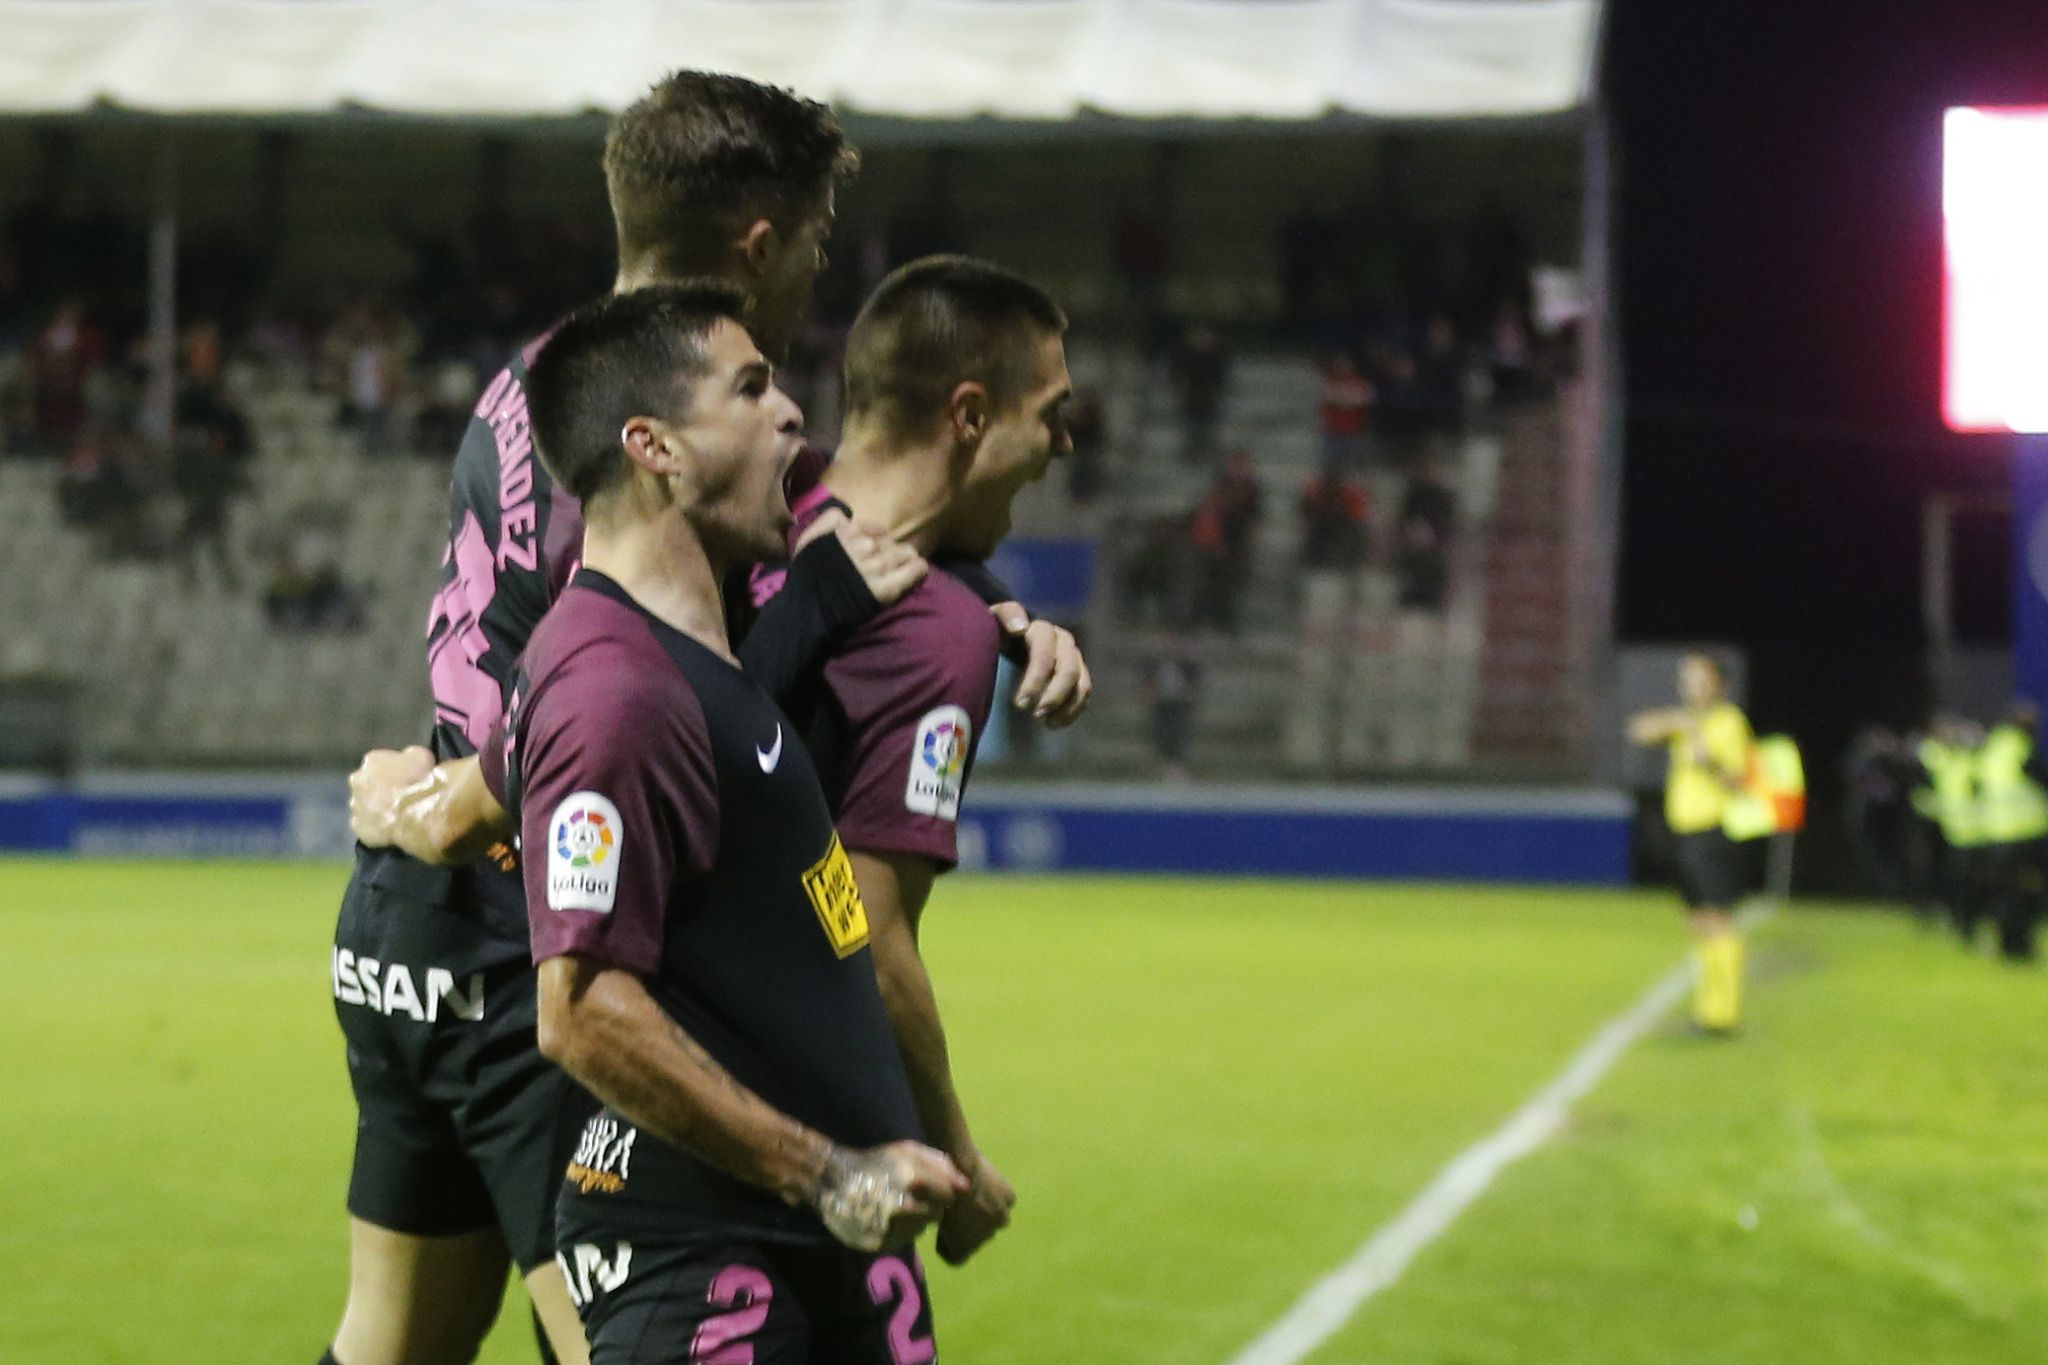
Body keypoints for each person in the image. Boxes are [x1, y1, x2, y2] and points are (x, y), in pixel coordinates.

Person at [325, 73, 1086, 1365]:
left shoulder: (541, 386)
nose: (809, 307)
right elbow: (615, 694)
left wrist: (985, 604)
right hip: (543, 945)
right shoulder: (661, 454)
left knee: (391, 1344)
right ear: (761, 244)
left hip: (407, 928)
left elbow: (812, 545)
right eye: (814, 247)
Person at [494, 285, 966, 1360]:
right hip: (713, 1262)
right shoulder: (615, 688)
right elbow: (578, 1011)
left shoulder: (682, 661)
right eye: (750, 388)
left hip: (823, 1244)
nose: (791, 414)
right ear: (652, 446)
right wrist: (824, 1171)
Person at [1627, 654, 1755, 1035]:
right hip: (1682, 832)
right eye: (1688, 679)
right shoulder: (1688, 721)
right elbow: (1638, 730)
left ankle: (1725, 1012)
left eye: (1700, 680)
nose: (1692, 687)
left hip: (1711, 831)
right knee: (1698, 921)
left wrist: (1707, 758)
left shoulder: (1729, 723)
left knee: (1718, 919)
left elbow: (1738, 781)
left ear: (1719, 686)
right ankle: (1707, 1009)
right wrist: (1680, 723)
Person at [1973, 703, 2046, 961]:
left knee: (2005, 892)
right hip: (2027, 834)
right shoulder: (2021, 747)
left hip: (1997, 833)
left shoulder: (1993, 748)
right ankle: (2021, 946)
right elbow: (2040, 779)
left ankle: (2006, 945)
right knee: (2027, 891)